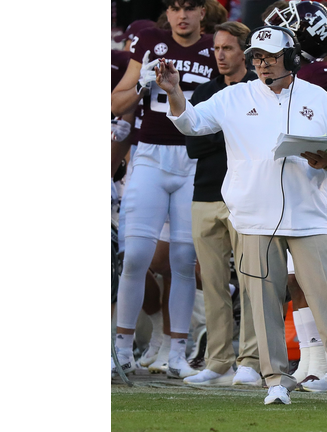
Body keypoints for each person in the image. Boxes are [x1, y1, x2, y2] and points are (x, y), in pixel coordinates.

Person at [157, 25, 327, 406]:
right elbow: (191, 122)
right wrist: (174, 92)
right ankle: (275, 381)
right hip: (255, 218)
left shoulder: (318, 97)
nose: (262, 64)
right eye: (257, 57)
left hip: (309, 217)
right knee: (262, 303)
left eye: (271, 57)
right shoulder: (233, 96)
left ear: (291, 58)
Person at [110, 0, 219, 379]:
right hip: (151, 155)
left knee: (184, 260)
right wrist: (142, 84)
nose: (181, 15)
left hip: (193, 159)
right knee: (136, 256)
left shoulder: (214, 48)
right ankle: (122, 350)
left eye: (189, 7)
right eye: (174, 7)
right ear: (167, 12)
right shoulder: (148, 42)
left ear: (202, 11)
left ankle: (176, 353)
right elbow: (115, 102)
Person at [262, 0, 327, 392]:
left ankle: (324, 362)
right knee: (295, 279)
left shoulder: (315, 75)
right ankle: (310, 359)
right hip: (286, 189)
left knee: (314, 280)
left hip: (313, 189)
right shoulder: (285, 68)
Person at [179, 21, 264, 387]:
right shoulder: (205, 91)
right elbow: (193, 144)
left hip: (246, 197)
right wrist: (233, 133)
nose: (220, 55)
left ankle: (251, 361)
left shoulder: (258, 90)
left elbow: (260, 140)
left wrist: (219, 132)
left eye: (228, 48)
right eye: (216, 48)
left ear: (245, 51)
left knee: (252, 282)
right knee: (212, 284)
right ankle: (218, 361)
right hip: (204, 195)